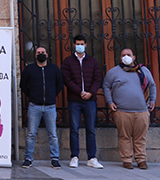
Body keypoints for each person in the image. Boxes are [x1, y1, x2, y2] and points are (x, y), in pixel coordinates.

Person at [103, 48, 156, 169]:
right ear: (120, 58)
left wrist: (152, 100)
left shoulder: (143, 71)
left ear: (134, 57)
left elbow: (152, 86)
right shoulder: (113, 72)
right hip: (122, 111)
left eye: (128, 54)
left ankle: (141, 160)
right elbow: (106, 86)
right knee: (124, 136)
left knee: (140, 137)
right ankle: (127, 160)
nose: (126, 56)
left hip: (142, 110)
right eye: (123, 55)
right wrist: (110, 102)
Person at [61, 34, 104, 168]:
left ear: (86, 45)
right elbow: (67, 79)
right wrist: (80, 92)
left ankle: (92, 158)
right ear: (74, 45)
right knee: (74, 129)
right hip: (75, 100)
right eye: (77, 43)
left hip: (90, 100)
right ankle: (74, 157)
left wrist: (91, 93)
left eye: (82, 43)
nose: (80, 46)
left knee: (90, 129)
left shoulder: (93, 61)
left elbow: (98, 78)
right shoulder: (68, 61)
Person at [20, 46, 63, 169]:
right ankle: (28, 158)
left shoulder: (54, 69)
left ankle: (55, 158)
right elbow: (23, 85)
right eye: (38, 52)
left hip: (50, 106)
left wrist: (51, 95)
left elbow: (59, 84)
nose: (41, 54)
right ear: (35, 55)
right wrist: (32, 95)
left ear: (47, 54)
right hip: (34, 106)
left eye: (43, 52)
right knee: (31, 134)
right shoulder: (29, 69)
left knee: (53, 134)